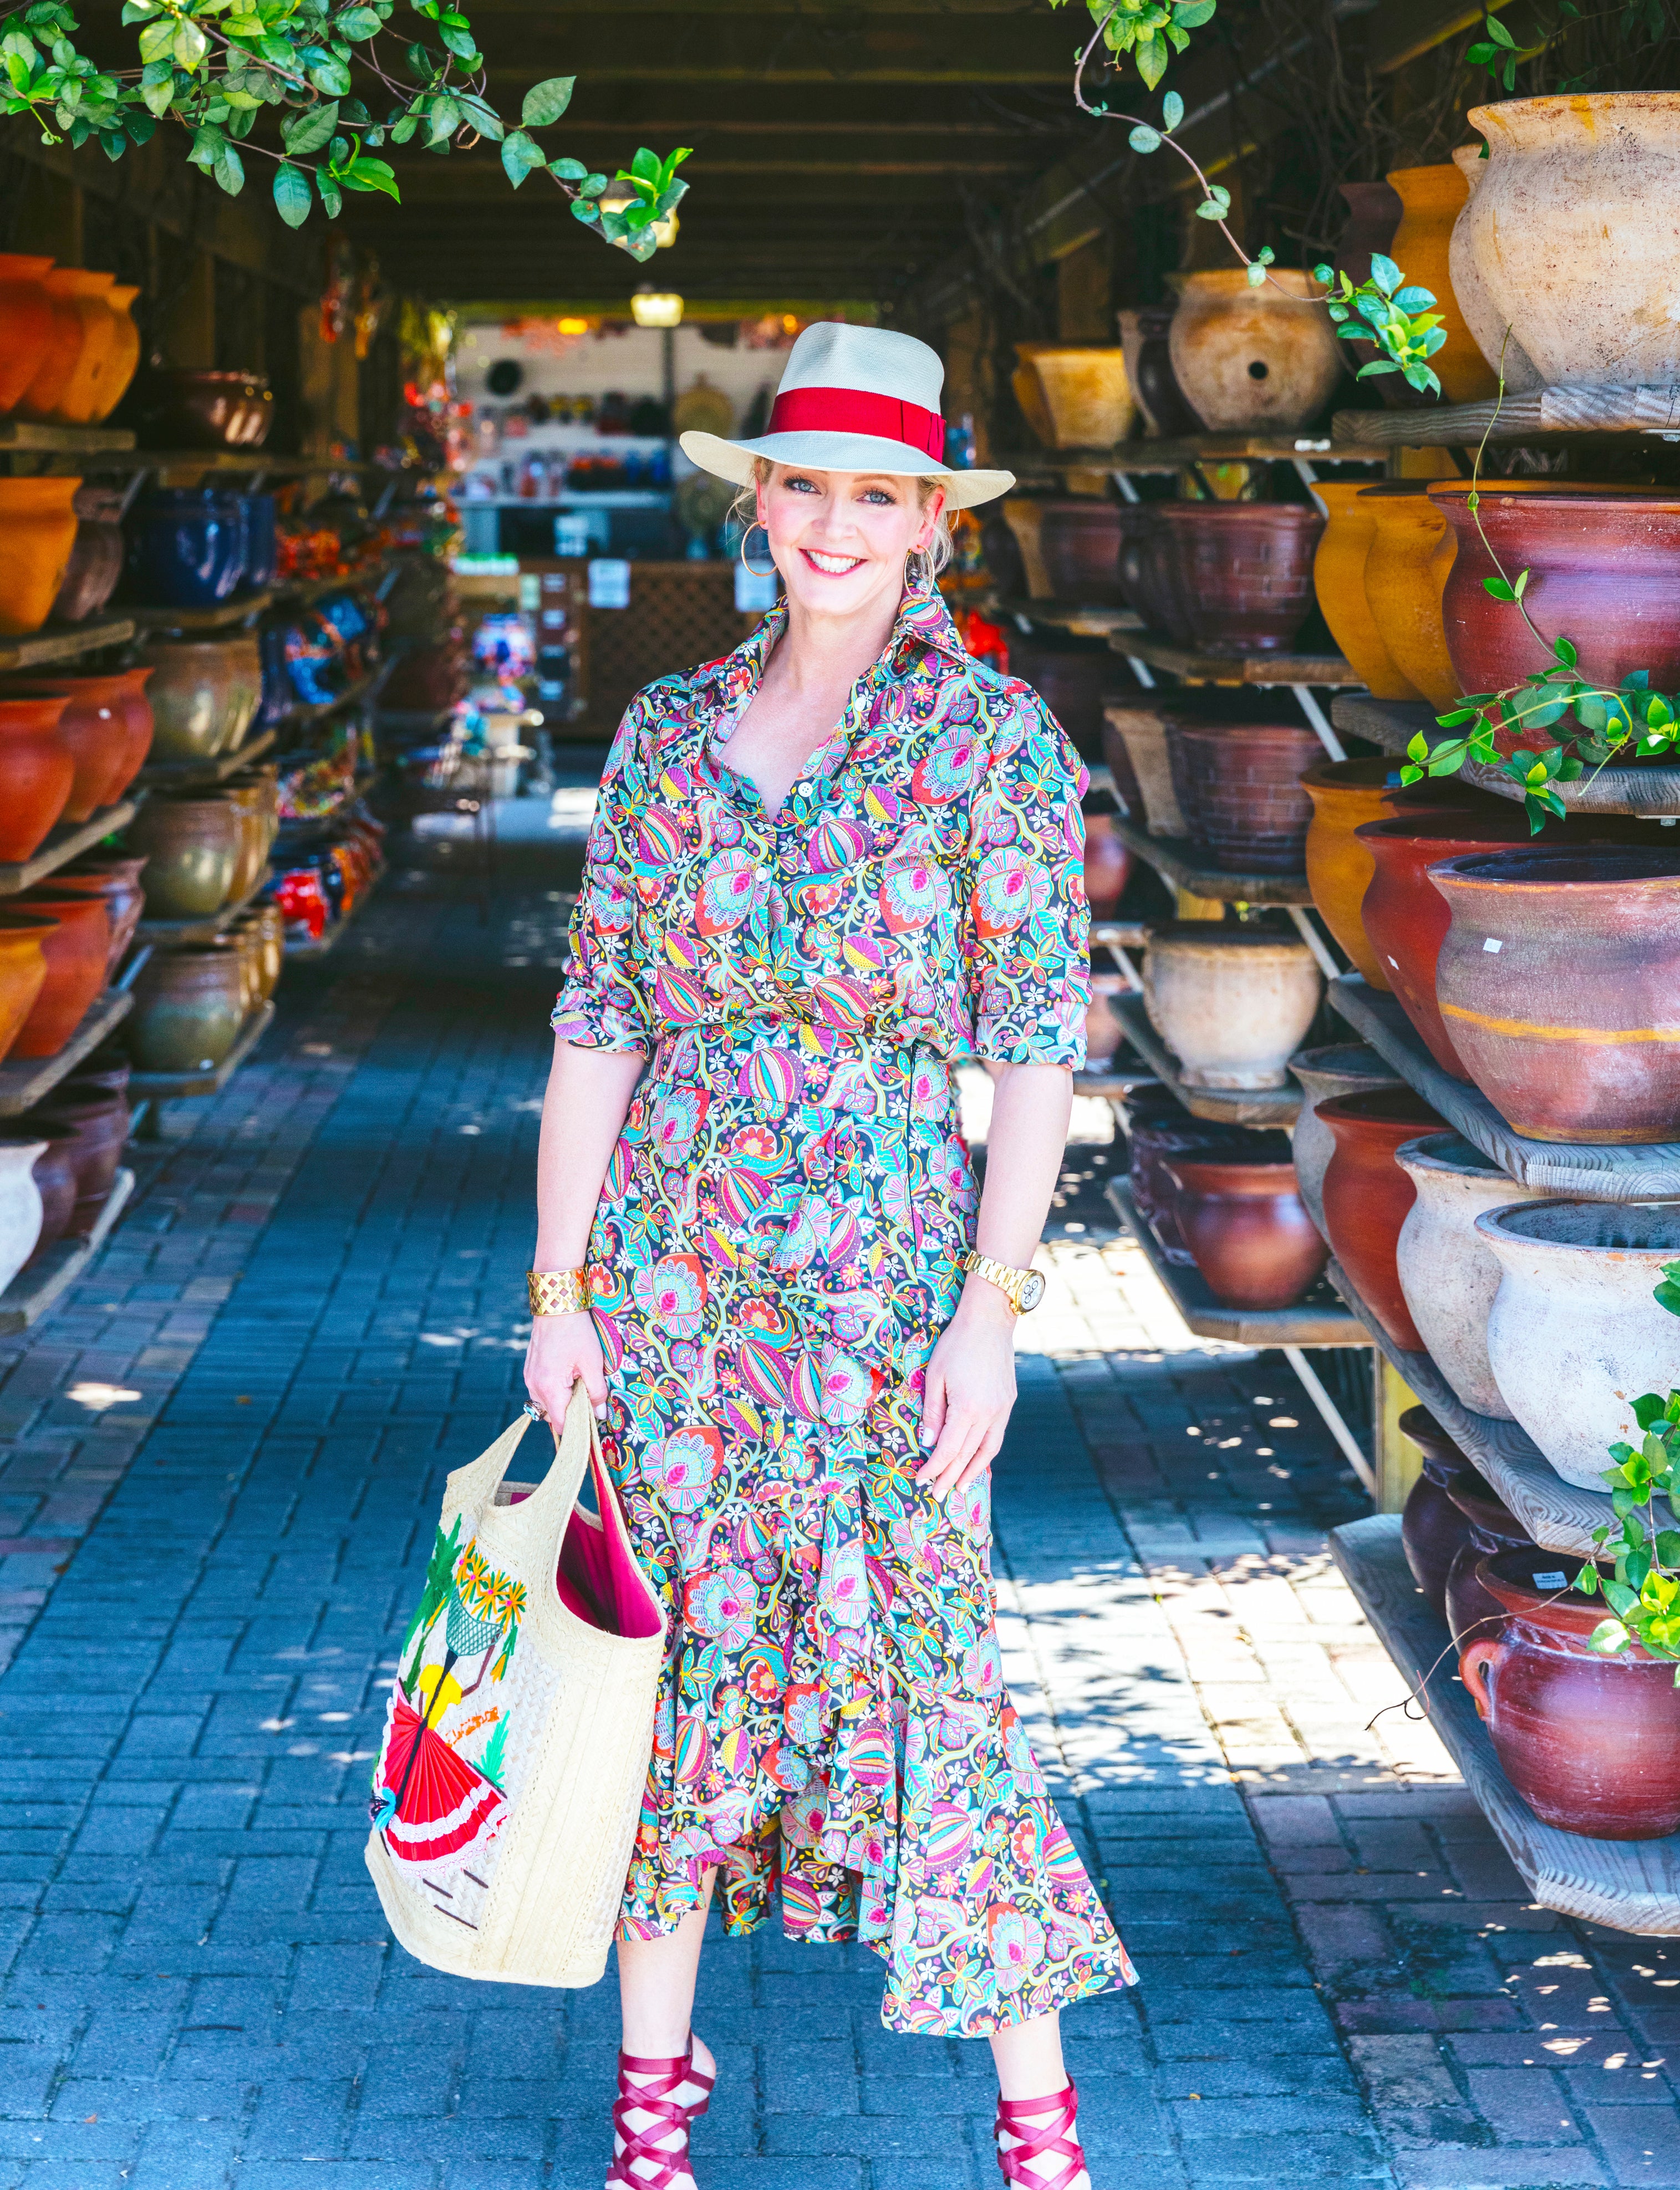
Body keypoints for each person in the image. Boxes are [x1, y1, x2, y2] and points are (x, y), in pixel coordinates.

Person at [525, 322, 1136, 2190]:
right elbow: (598, 1023)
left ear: (931, 521)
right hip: (668, 1290)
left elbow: (1036, 1047)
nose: (837, 526)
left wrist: (994, 1315)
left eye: (880, 494)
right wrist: (556, 1299)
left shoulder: (991, 743)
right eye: (807, 487)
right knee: (669, 1668)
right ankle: (650, 2121)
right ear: (761, 503)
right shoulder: (667, 731)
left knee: (934, 1671)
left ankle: (1040, 2138)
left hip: (884, 1292)